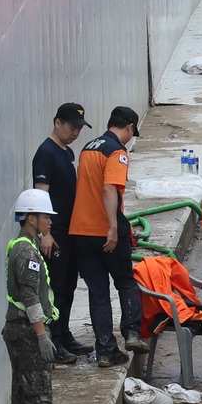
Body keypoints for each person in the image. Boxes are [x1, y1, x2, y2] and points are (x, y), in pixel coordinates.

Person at [70, 105, 148, 367]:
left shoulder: (88, 147)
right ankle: (132, 332)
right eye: (131, 133)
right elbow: (108, 190)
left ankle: (105, 349)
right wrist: (113, 227)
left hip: (80, 231)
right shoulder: (117, 152)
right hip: (105, 231)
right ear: (128, 128)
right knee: (126, 281)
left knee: (98, 291)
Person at [3, 189, 60, 404]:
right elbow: (29, 296)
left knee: (23, 394)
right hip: (26, 332)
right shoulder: (26, 252)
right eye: (46, 217)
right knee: (35, 397)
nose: (49, 223)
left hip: (21, 330)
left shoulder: (25, 246)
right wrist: (41, 335)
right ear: (31, 219)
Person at [32, 102, 93, 363]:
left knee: (69, 284)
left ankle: (65, 333)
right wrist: (45, 234)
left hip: (71, 230)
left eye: (79, 129)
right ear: (57, 123)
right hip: (55, 232)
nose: (75, 133)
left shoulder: (66, 152)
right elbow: (41, 195)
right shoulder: (45, 153)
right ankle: (54, 340)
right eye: (71, 127)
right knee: (55, 288)